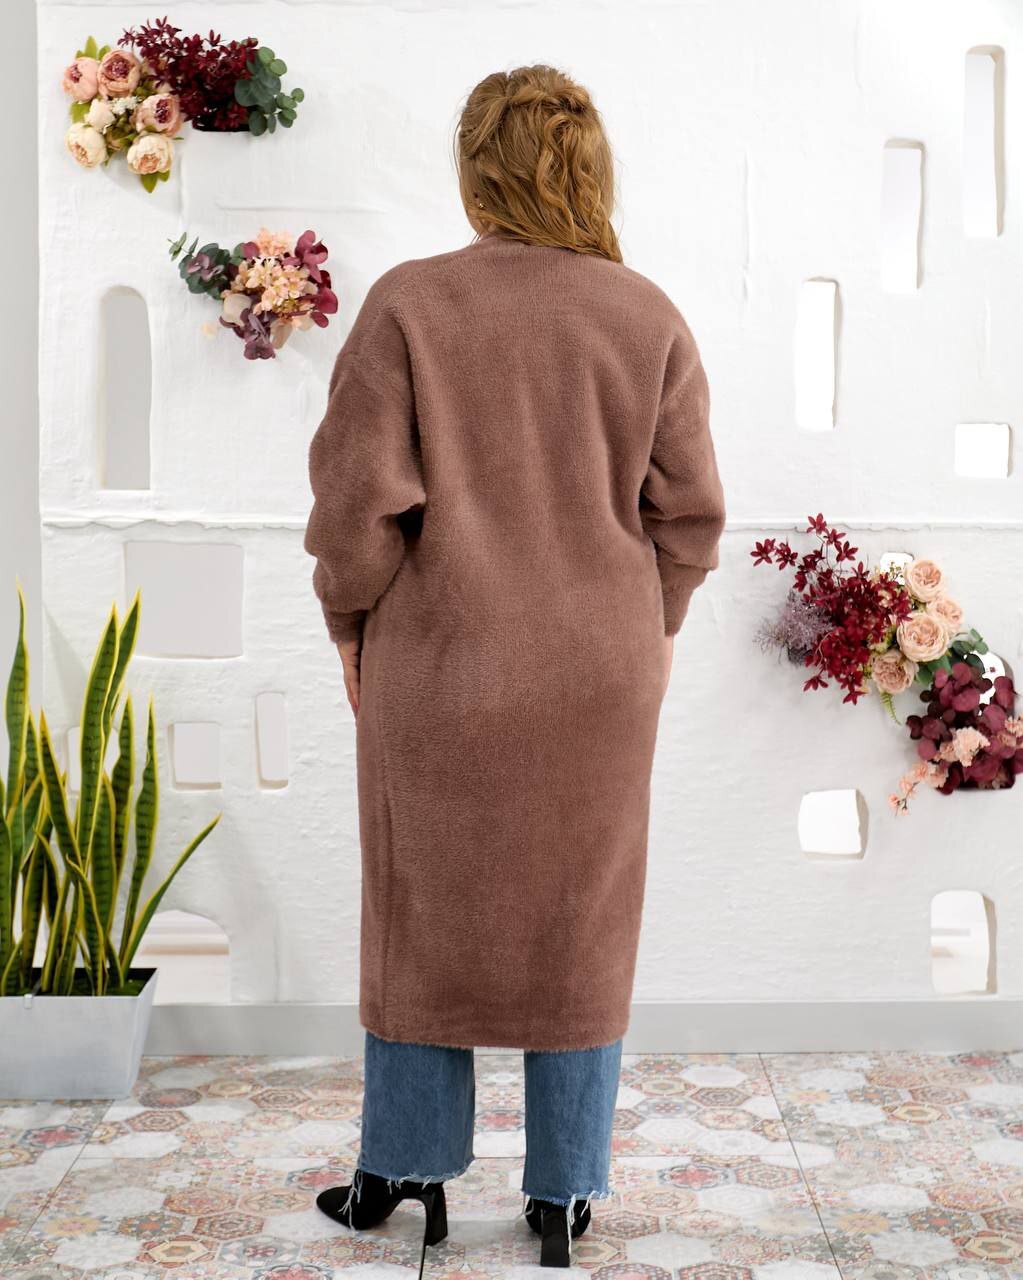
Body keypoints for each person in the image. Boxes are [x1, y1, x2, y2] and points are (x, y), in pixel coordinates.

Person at [303, 63, 726, 1270]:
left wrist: (352, 628)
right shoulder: (647, 316)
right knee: (583, 919)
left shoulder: (409, 305)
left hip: (440, 664)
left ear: (476, 173)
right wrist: (650, 628)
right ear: (590, 173)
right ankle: (564, 1194)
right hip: (602, 676)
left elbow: (354, 511)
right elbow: (690, 516)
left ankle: (404, 1169)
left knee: (418, 909)